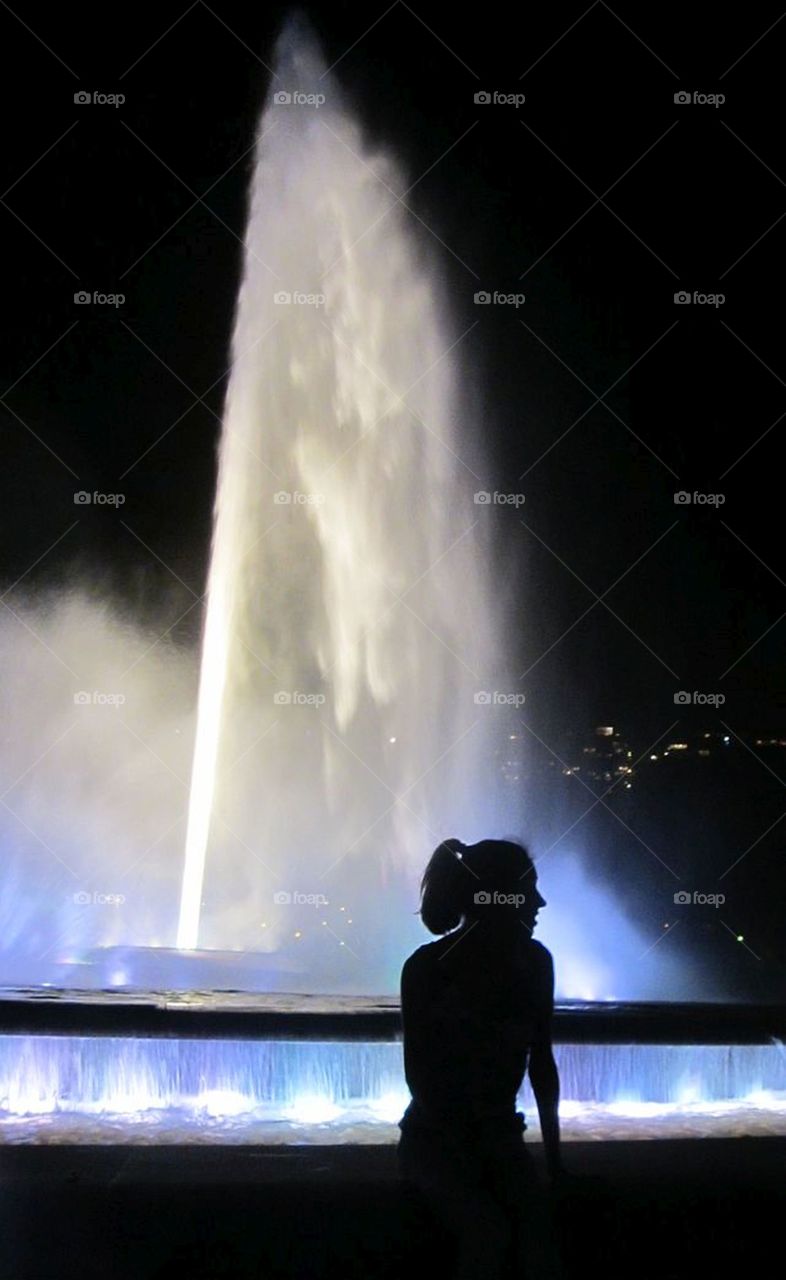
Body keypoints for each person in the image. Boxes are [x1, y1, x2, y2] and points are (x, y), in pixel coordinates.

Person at [397, 837, 564, 1279]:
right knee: (487, 1233)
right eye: (530, 890)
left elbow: (541, 1065)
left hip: (498, 1139)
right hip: (434, 1144)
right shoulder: (427, 969)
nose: (540, 902)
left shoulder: (535, 963)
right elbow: (424, 1084)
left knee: (538, 1239)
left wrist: (555, 1165)